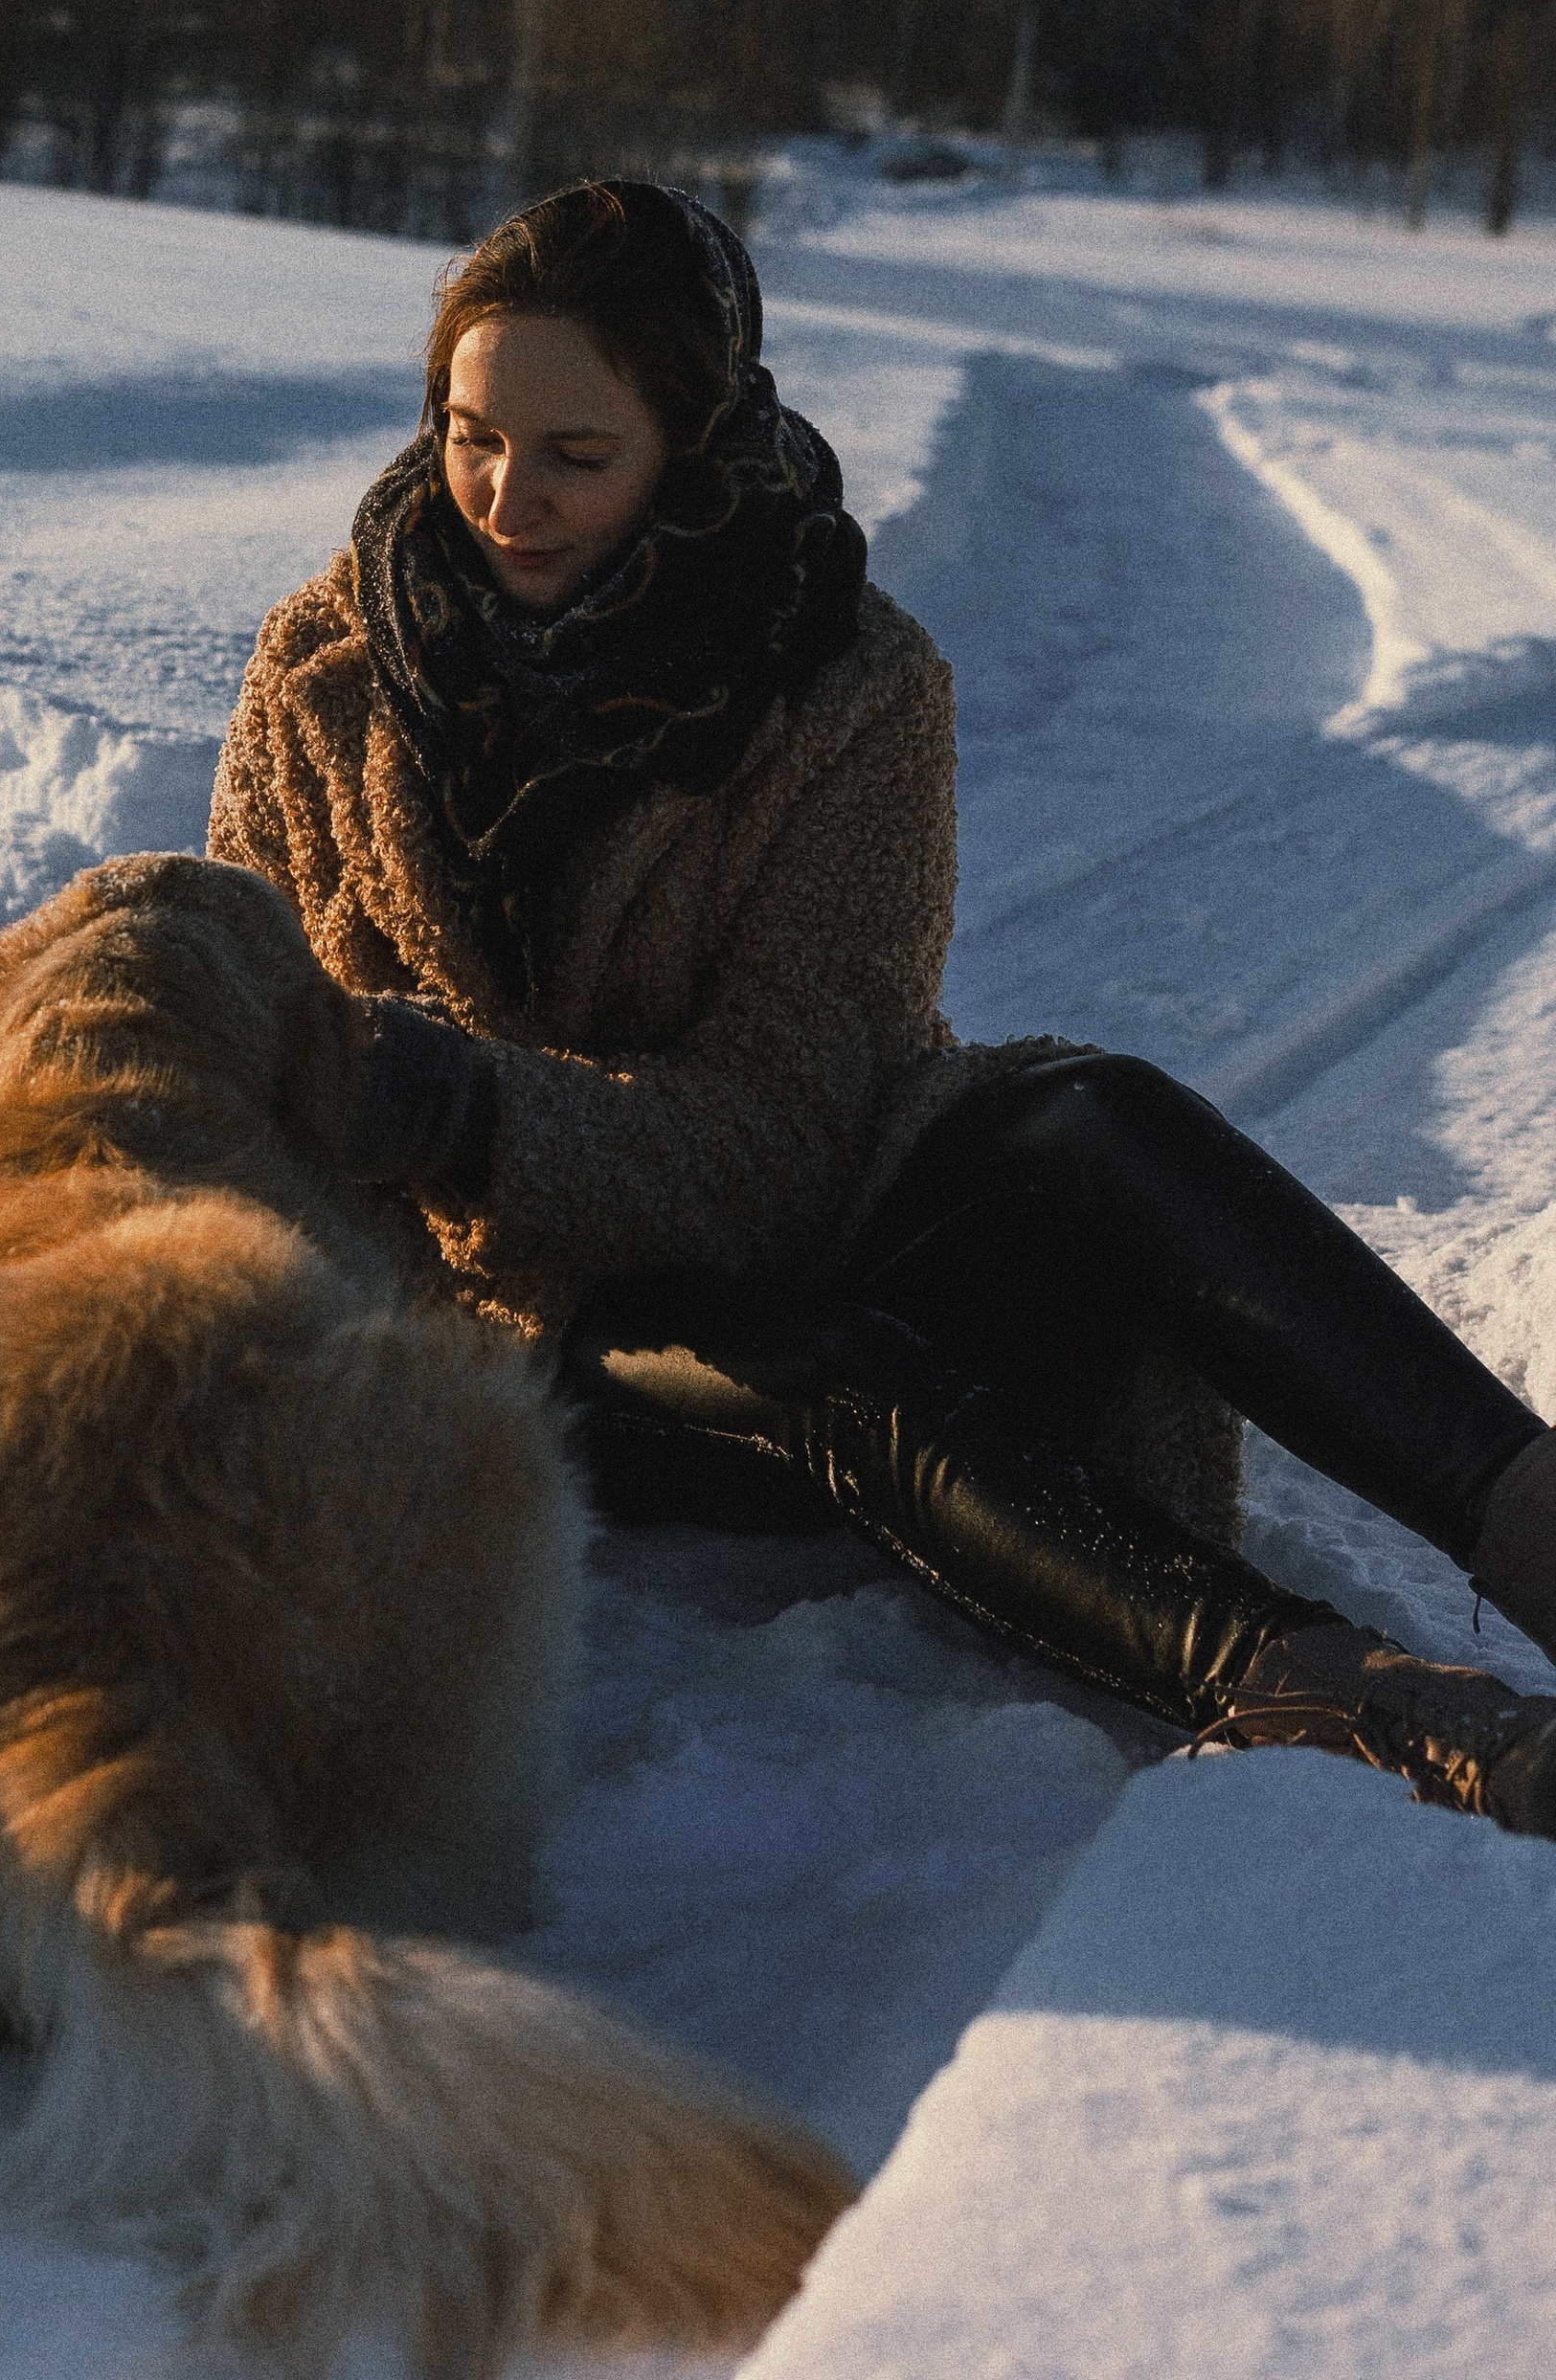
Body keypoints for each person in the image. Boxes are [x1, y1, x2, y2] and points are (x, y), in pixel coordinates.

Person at [207, 175, 1556, 1833]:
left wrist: (470, 1106)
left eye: (577, 456)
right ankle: (1351, 1696)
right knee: (825, 1367)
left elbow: (788, 1121)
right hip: (502, 1312)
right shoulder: (323, 672)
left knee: (1098, 1113)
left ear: (689, 451)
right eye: (473, 434)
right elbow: (256, 1041)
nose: (504, 498)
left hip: (788, 1184)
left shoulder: (847, 680)